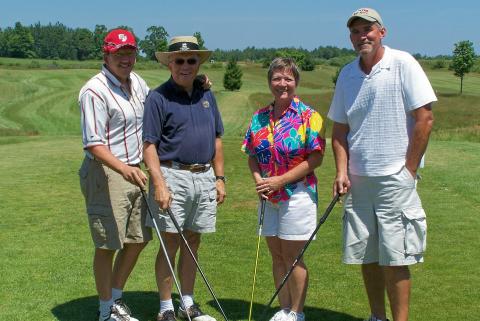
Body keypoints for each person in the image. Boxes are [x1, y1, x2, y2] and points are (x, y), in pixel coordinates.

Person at [328, 8, 436, 321]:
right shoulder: (347, 74)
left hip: (394, 179)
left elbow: (425, 118)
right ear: (350, 37)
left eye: (368, 29)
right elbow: (339, 130)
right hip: (358, 180)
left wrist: (409, 170)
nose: (362, 36)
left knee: (395, 257)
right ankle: (377, 317)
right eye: (356, 31)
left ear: (382, 32)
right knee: (368, 255)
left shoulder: (403, 63)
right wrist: (340, 171)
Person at [142, 36, 226, 321]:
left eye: (192, 61)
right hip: (172, 175)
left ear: (198, 63)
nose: (186, 66)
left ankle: (187, 303)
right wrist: (159, 184)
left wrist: (220, 177)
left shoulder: (206, 94)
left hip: (204, 176)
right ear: (170, 64)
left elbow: (217, 138)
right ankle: (166, 307)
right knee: (170, 243)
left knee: (193, 240)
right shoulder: (158, 97)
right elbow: (149, 145)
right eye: (179, 61)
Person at [242, 57, 326, 321]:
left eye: (288, 78)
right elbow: (252, 153)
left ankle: (297, 313)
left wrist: (280, 180)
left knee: (293, 256)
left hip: (298, 193)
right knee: (277, 255)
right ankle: (284, 309)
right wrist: (259, 179)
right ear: (269, 82)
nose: (282, 84)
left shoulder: (309, 116)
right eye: (277, 78)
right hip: (269, 195)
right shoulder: (259, 117)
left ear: (296, 82)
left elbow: (316, 159)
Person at [78, 29, 152, 321]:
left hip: (134, 169)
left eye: (130, 53)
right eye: (118, 53)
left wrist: (194, 84)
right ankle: (106, 309)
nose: (125, 59)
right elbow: (94, 143)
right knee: (108, 243)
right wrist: (124, 168)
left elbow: (155, 105)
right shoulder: (94, 90)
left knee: (138, 238)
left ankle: (117, 299)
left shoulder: (138, 83)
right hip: (107, 172)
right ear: (106, 55)